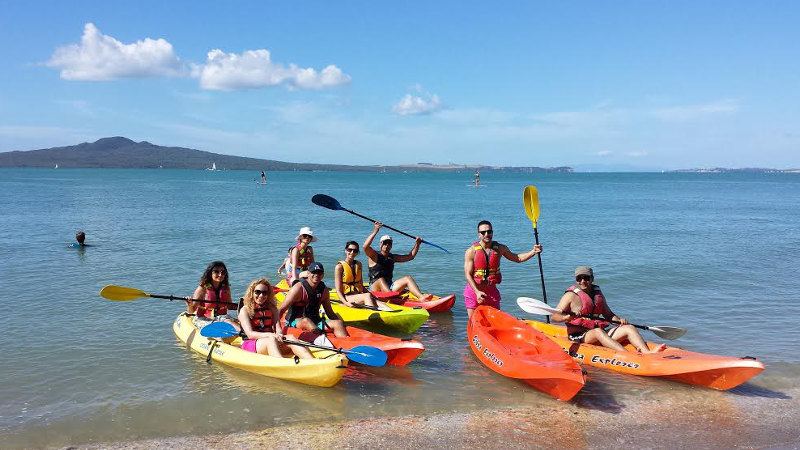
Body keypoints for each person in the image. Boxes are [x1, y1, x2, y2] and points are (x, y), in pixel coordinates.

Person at [550, 266, 666, 354]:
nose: (583, 281)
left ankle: (647, 353)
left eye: (586, 278)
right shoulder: (570, 296)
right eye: (579, 278)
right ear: (576, 280)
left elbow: (608, 315)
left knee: (629, 328)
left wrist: (619, 321)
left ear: (592, 278)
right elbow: (554, 317)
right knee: (598, 332)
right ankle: (627, 355)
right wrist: (567, 317)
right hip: (579, 336)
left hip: (599, 333)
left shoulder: (597, 294)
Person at [463, 220, 542, 318]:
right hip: (474, 292)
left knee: (495, 322)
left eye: (489, 231)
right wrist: (477, 292)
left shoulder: (500, 248)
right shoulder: (471, 251)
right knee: (474, 322)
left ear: (492, 232)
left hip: (492, 293)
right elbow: (468, 275)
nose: (487, 234)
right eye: (483, 232)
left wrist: (533, 252)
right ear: (479, 234)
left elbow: (518, 258)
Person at [238, 278, 313, 359]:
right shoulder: (245, 310)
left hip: (270, 340)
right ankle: (282, 365)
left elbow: (278, 328)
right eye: (257, 292)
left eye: (265, 293)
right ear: (252, 293)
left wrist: (279, 334)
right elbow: (250, 334)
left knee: (290, 337)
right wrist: (271, 335)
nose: (261, 295)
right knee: (271, 340)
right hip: (251, 344)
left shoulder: (272, 309)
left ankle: (311, 361)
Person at [363, 222, 433, 301]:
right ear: (380, 244)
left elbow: (410, 257)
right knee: (380, 279)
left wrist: (417, 244)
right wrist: (375, 230)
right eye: (385, 243)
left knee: (408, 278)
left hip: (389, 287)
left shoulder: (392, 257)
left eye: (389, 243)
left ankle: (421, 297)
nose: (387, 245)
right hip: (375, 289)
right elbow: (365, 247)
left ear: (391, 246)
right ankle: (395, 298)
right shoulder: (374, 256)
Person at [277, 262, 349, 338]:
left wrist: (341, 324)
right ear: (308, 273)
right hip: (296, 321)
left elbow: (329, 312)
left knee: (338, 323)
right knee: (307, 321)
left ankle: (346, 344)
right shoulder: (298, 288)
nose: (317, 275)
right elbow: (281, 309)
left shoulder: (324, 290)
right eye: (313, 272)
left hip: (316, 321)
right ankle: (321, 340)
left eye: (319, 273)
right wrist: (277, 328)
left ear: (323, 275)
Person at [333, 241, 393, 311]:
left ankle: (391, 312)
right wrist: (346, 303)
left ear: (357, 253)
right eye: (350, 250)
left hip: (358, 295)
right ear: (346, 250)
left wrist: (373, 296)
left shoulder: (359, 265)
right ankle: (373, 314)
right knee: (367, 296)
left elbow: (361, 286)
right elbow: (338, 291)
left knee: (379, 302)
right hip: (347, 297)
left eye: (355, 251)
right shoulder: (339, 267)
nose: (352, 252)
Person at [185, 261, 239, 330]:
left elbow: (229, 306)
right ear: (210, 273)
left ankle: (245, 336)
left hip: (221, 316)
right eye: (216, 272)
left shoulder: (226, 288)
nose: (220, 275)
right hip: (204, 318)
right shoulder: (202, 289)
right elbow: (191, 311)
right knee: (216, 326)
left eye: (223, 272)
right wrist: (189, 304)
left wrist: (244, 305)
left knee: (231, 323)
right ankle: (219, 339)